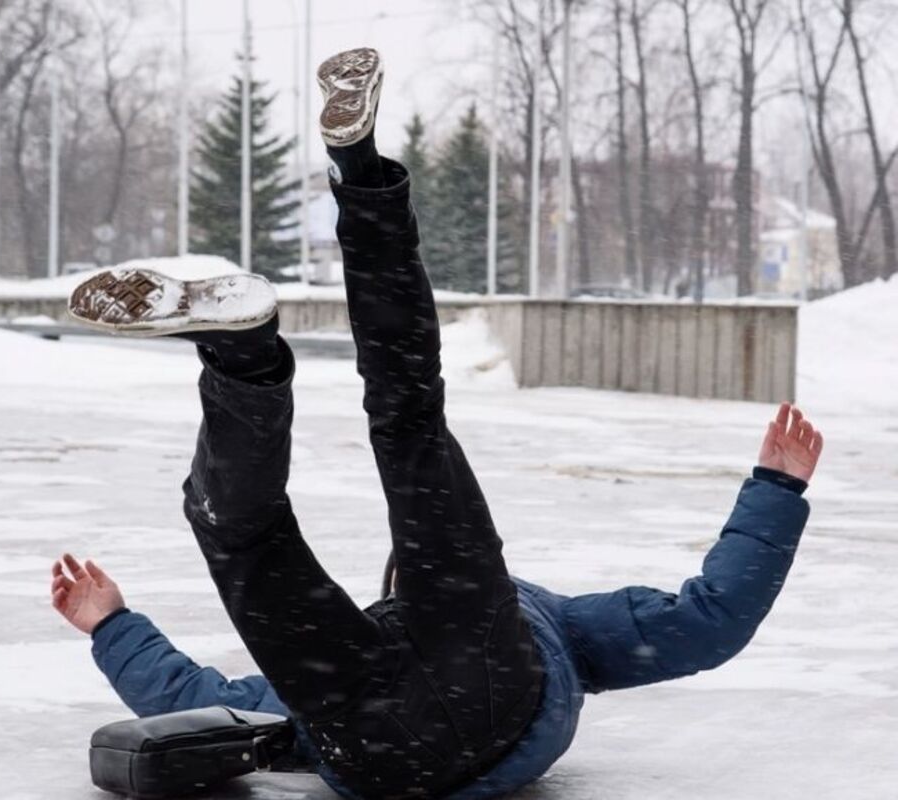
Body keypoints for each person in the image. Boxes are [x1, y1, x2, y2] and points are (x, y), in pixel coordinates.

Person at [51, 48, 822, 799]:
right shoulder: (555, 623)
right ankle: (277, 303)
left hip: (372, 737)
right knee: (322, 478)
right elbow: (710, 620)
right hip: (458, 710)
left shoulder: (478, 615)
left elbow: (195, 694)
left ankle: (260, 337)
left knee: (339, 463)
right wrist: (776, 490)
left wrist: (112, 626)